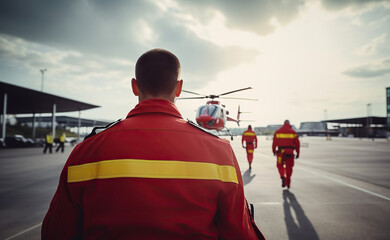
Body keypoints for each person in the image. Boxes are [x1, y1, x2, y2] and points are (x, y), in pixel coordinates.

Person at [42, 49, 265, 240]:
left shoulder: (86, 151)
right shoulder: (220, 151)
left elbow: (56, 231)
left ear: (134, 86)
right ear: (178, 88)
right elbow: (239, 232)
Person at [272, 120, 300, 188]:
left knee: (279, 165)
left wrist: (274, 151)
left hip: (280, 153)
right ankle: (288, 183)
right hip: (290, 152)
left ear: (283, 124)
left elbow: (274, 143)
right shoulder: (293, 132)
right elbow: (297, 144)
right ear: (289, 124)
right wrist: (297, 152)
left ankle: (282, 176)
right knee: (289, 168)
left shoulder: (277, 132)